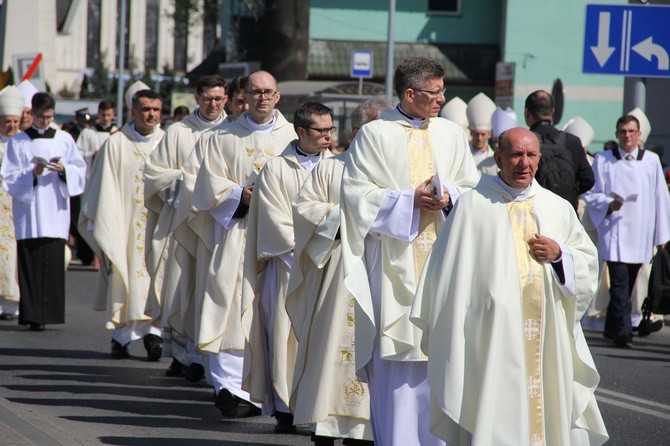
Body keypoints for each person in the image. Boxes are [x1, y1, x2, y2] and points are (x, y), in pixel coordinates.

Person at [411, 127, 608, 446]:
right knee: (492, 408)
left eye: (531, 155)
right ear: (498, 158)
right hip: (489, 334)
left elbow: (586, 261)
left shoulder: (557, 206)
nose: (524, 163)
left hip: (545, 333)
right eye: (516, 154)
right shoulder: (474, 205)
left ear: (539, 159)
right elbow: (447, 275)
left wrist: (561, 255)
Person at [339, 56, 480, 446]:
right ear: (410, 93)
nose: (442, 99)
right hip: (391, 265)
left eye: (442, 91)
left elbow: (472, 185)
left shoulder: (451, 134)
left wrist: (450, 197)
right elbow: (354, 196)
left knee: (442, 357)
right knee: (397, 372)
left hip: (443, 262)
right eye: (435, 93)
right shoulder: (374, 135)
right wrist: (407, 201)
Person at [186, 70, 296, 419]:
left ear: (277, 96)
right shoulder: (223, 137)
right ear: (243, 96)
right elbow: (206, 187)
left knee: (276, 311)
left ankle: (279, 394)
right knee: (232, 305)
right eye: (255, 92)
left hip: (281, 239)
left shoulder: (293, 136)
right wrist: (240, 194)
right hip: (238, 232)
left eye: (269, 92)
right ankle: (232, 389)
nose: (262, 97)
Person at [286, 97, 390, 446]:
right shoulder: (331, 168)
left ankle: (367, 428)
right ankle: (326, 423)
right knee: (333, 343)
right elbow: (304, 209)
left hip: (379, 274)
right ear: (357, 131)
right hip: (337, 273)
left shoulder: (394, 176)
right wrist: (342, 219)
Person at [241, 101, 334, 433]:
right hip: (287, 264)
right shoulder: (276, 169)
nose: (327, 137)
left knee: (321, 337)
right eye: (321, 131)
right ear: (301, 132)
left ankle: (317, 406)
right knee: (285, 335)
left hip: (326, 267)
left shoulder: (339, 166)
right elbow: (273, 221)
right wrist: (308, 248)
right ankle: (285, 407)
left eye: (330, 129)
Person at [143, 74, 228, 380]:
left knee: (209, 290)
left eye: (219, 98)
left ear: (226, 99)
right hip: (181, 223)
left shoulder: (232, 132)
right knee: (181, 287)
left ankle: (203, 359)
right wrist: (185, 183)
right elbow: (153, 174)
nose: (213, 104)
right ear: (197, 98)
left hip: (217, 224)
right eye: (208, 98)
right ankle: (181, 355)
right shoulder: (178, 132)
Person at [79, 89, 165, 359]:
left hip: (159, 226)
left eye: (156, 109)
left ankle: (154, 334)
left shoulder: (167, 143)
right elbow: (103, 190)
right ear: (133, 111)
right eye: (145, 109)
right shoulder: (116, 144)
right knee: (125, 276)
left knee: (157, 280)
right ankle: (122, 337)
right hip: (125, 226)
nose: (151, 114)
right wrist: (109, 226)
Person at [1, 92, 86, 331]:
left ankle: (50, 313)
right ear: (32, 113)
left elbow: (79, 170)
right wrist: (33, 173)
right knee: (31, 261)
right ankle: (32, 315)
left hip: (55, 211)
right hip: (30, 212)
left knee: (52, 260)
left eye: (49, 116)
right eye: (41, 117)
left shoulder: (64, 139)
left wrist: (62, 169)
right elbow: (8, 178)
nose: (45, 121)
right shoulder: (18, 141)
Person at [583, 115, 670, 347]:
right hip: (615, 232)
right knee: (620, 283)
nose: (627, 135)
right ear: (616, 133)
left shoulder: (651, 161)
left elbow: (661, 198)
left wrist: (662, 236)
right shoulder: (603, 160)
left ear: (639, 134)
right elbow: (591, 194)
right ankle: (623, 333)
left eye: (632, 131)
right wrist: (609, 204)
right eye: (623, 131)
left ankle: (612, 327)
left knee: (628, 284)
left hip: (641, 234)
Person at [524, 90, 594, 210]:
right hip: (566, 212)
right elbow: (588, 179)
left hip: (536, 212)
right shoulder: (572, 141)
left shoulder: (526, 141)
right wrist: (569, 193)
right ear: (553, 112)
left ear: (527, 113)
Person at [0, 85, 24, 320]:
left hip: (17, 206)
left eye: (16, 121)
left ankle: (14, 303)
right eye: (8, 121)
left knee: (15, 253)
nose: (12, 126)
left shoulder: (23, 144)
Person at [466, 92, 497, 175]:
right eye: (476, 133)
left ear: (489, 134)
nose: (479, 138)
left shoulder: (494, 158)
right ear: (471, 132)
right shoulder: (463, 153)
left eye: (483, 134)